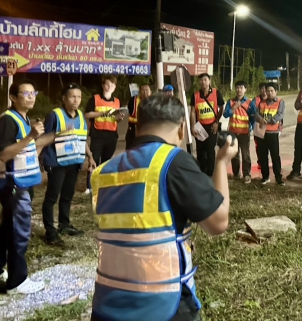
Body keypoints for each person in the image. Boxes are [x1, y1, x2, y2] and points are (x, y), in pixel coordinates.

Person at [90, 94, 235, 321]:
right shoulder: (173, 161)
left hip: (107, 304)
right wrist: (221, 162)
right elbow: (218, 222)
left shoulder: (104, 171)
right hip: (161, 305)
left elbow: (134, 227)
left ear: (138, 127)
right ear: (181, 128)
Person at [0, 80, 56, 294]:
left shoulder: (23, 119)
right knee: (19, 232)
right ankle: (17, 281)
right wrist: (31, 135)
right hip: (13, 184)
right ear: (13, 97)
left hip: (21, 181)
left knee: (8, 228)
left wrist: (53, 136)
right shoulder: (7, 120)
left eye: (33, 92)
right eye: (26, 93)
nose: (31, 96)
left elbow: (28, 146)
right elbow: (4, 154)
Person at [41, 83, 95, 246]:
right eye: (72, 97)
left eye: (79, 97)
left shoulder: (81, 116)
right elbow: (43, 139)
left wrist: (90, 156)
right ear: (64, 98)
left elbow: (82, 138)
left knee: (67, 196)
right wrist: (42, 159)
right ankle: (50, 232)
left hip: (74, 162)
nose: (76, 100)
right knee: (52, 197)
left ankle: (64, 225)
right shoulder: (55, 115)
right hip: (57, 163)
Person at [84, 75, 124, 194]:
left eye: (112, 85)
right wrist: (102, 113)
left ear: (115, 87)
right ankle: (89, 186)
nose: (109, 87)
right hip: (97, 135)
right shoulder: (95, 99)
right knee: (94, 160)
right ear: (103, 85)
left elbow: (114, 118)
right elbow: (87, 114)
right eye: (107, 84)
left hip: (111, 135)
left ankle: (103, 185)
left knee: (107, 162)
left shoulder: (117, 101)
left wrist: (119, 119)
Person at [190, 73, 224, 176]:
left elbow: (221, 107)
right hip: (200, 127)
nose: (203, 82)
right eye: (201, 80)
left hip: (212, 126)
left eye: (205, 80)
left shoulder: (216, 93)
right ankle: (201, 173)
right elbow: (192, 112)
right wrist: (192, 127)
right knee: (200, 151)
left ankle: (210, 173)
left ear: (209, 81)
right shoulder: (195, 95)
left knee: (210, 150)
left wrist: (216, 122)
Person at [223, 80, 255, 183]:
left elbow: (253, 117)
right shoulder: (230, 102)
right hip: (232, 133)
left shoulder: (250, 103)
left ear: (245, 89)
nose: (239, 90)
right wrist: (233, 108)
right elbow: (225, 114)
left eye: (241, 88)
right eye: (237, 87)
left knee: (245, 155)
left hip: (244, 133)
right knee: (234, 155)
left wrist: (252, 128)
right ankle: (236, 174)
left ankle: (247, 175)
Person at [255, 83, 285, 185]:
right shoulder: (262, 102)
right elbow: (256, 114)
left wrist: (270, 121)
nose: (269, 93)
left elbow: (280, 114)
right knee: (263, 156)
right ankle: (265, 177)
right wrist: (260, 119)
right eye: (268, 91)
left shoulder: (280, 102)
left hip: (273, 132)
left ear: (276, 91)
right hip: (262, 133)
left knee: (275, 156)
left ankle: (278, 178)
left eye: (272, 91)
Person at [126, 83, 152, 150]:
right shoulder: (133, 101)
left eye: (147, 90)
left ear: (151, 92)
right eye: (143, 90)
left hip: (149, 130)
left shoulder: (154, 102)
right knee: (130, 150)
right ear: (139, 91)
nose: (145, 92)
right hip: (134, 129)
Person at [252, 82, 268, 168]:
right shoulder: (256, 100)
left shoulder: (272, 99)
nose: (264, 91)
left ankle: (266, 161)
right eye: (262, 89)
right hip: (258, 126)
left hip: (269, 126)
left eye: (265, 89)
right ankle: (260, 162)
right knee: (258, 145)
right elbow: (253, 112)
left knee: (269, 145)